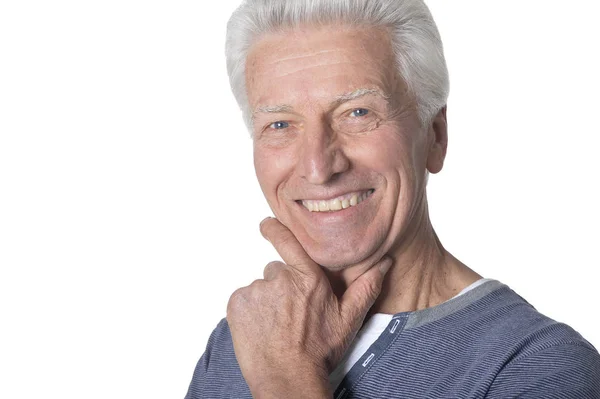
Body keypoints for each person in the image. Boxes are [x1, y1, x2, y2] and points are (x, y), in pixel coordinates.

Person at [185, 0, 600, 397]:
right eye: (279, 123)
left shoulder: (542, 369)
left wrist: (286, 377)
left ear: (435, 136)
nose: (317, 166)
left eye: (358, 113)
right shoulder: (245, 338)